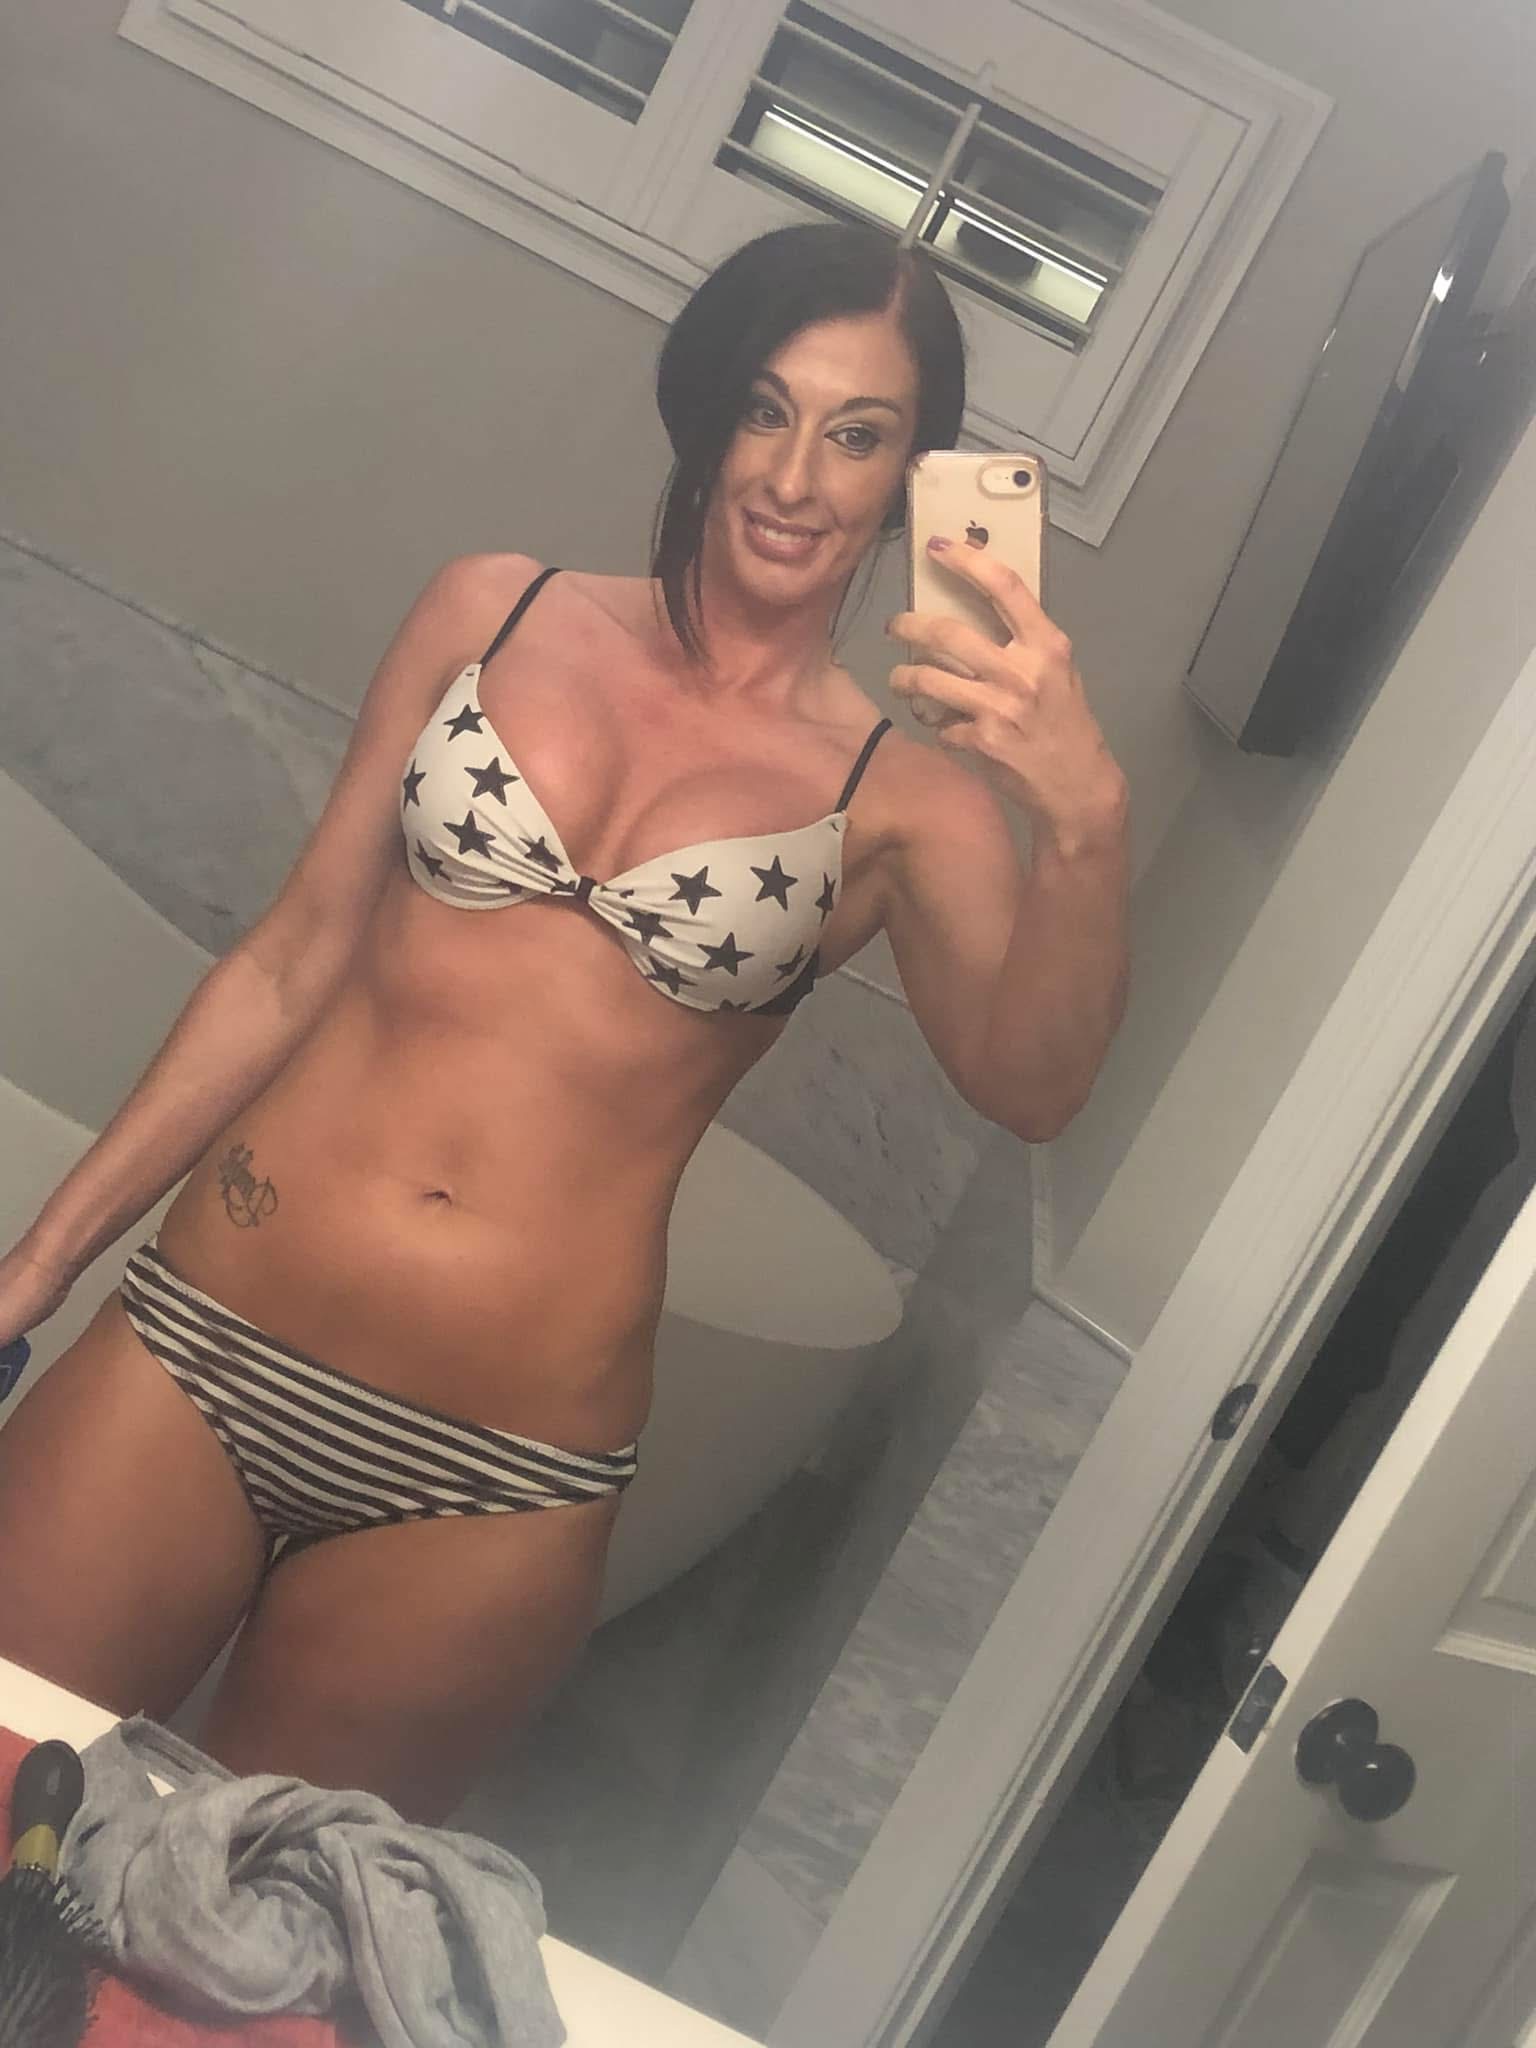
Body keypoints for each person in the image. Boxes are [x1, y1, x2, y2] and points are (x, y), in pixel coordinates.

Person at [0, 224, 1129, 1821]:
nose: (794, 476)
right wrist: (40, 1262)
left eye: (858, 434)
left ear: (911, 480)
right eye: (766, 408)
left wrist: (1085, 826)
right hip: (204, 1339)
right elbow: (288, 960)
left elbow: (1033, 1085)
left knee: (247, 1935)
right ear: (705, 411)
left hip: (492, 1485)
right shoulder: (494, 608)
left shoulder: (912, 807)